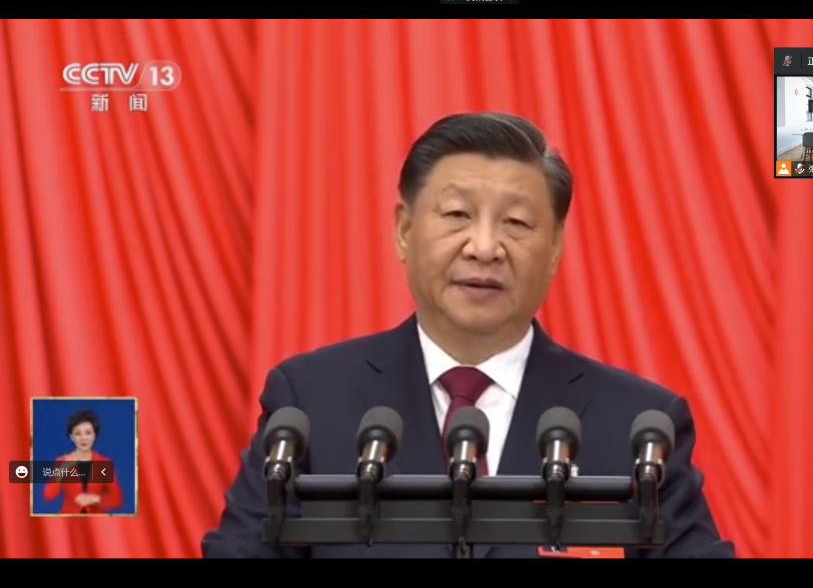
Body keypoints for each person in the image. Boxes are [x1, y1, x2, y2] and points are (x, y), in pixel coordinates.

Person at [202, 112, 736, 558]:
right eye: (458, 215)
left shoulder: (640, 425)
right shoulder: (311, 402)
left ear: (555, 247)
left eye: (517, 223)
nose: (484, 247)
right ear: (404, 230)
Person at [43, 409, 123, 514]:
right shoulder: (61, 461)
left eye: (88, 433)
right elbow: (48, 495)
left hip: (98, 520)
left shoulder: (105, 464)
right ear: (71, 437)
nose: (83, 438)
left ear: (95, 435)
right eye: (78, 433)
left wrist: (95, 499)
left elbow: (117, 500)